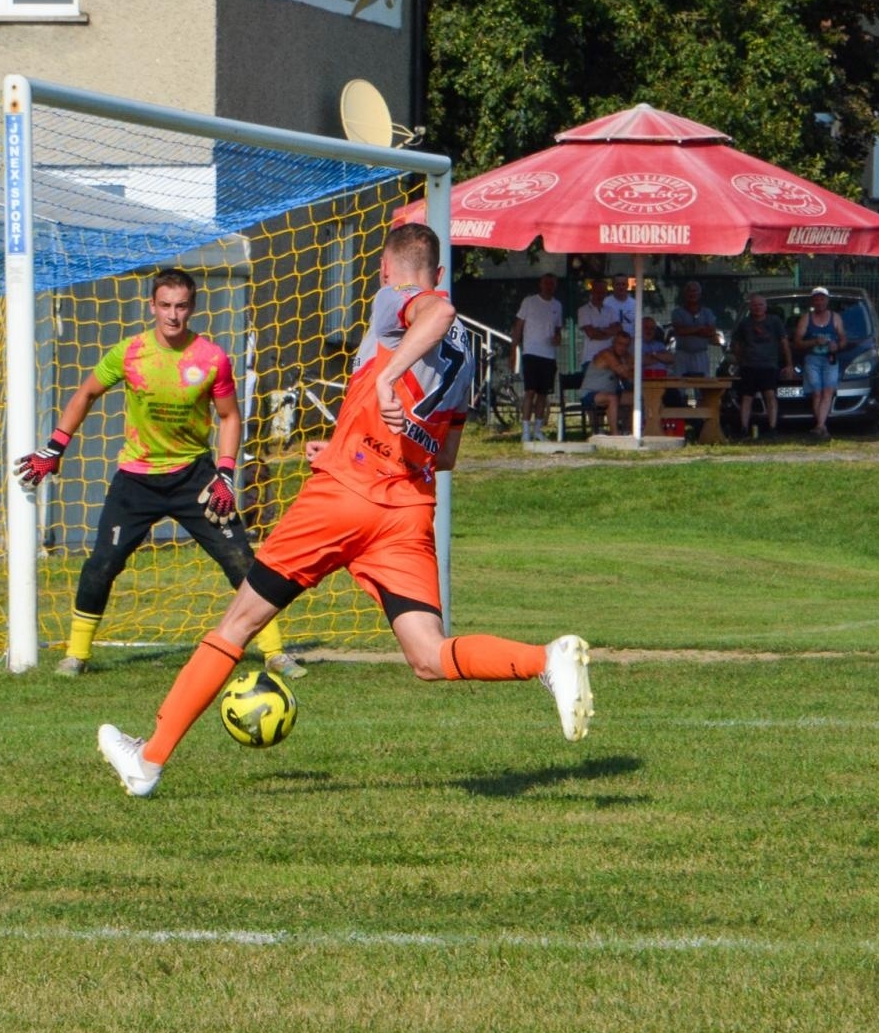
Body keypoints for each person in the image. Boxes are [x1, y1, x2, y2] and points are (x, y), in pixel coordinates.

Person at [97, 224, 594, 797]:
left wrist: (387, 378)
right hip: (406, 510)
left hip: (344, 497)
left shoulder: (394, 301)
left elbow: (437, 312)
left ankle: (148, 760)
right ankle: (544, 660)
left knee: (238, 623)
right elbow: (445, 455)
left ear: (386, 271)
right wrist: (340, 443)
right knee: (428, 655)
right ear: (437, 269)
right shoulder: (466, 356)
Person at [15, 268, 306, 681]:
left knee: (241, 560)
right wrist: (54, 448)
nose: (173, 315)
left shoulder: (212, 358)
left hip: (195, 477)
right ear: (151, 306)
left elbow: (228, 417)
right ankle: (76, 656)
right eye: (165, 305)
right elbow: (87, 393)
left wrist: (225, 475)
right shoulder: (129, 352)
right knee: (102, 564)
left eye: (181, 306)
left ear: (193, 307)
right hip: (136, 480)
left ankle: (275, 652)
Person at [731, 294, 792, 437]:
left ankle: (772, 427)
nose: (757, 307)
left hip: (769, 365)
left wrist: (789, 364)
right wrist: (740, 361)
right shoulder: (744, 323)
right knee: (747, 397)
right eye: (754, 305)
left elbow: (784, 342)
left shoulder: (775, 321)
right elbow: (737, 344)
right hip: (749, 365)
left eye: (760, 305)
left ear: (765, 307)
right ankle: (744, 428)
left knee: (770, 395)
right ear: (750, 307)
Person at [510, 272, 562, 442]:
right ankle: (525, 430)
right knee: (530, 391)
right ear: (541, 284)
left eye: (552, 284)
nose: (549, 286)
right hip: (531, 353)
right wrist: (513, 350)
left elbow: (558, 331)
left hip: (549, 355)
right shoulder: (529, 302)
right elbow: (518, 326)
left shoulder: (557, 305)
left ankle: (538, 430)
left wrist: (557, 338)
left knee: (543, 394)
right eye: (546, 283)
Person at [792, 286, 847, 438]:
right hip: (812, 360)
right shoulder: (806, 319)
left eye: (822, 299)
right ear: (812, 301)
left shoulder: (835, 318)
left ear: (827, 301)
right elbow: (797, 343)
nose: (820, 302)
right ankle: (822, 427)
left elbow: (843, 339)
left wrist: (837, 346)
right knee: (816, 393)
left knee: (828, 391)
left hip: (830, 359)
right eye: (817, 299)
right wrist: (814, 342)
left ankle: (820, 426)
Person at [580, 329, 635, 435]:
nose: (623, 348)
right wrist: (632, 365)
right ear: (613, 342)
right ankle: (615, 434)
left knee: (636, 398)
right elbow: (623, 372)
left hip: (610, 392)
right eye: (620, 344)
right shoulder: (606, 354)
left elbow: (630, 376)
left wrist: (630, 366)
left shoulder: (625, 356)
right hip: (590, 393)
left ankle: (628, 431)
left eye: (626, 345)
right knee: (612, 398)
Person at [670, 281, 722, 378]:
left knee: (701, 384)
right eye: (689, 291)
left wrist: (689, 330)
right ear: (685, 294)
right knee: (679, 384)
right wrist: (700, 328)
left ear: (699, 294)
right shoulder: (677, 312)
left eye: (695, 291)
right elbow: (679, 331)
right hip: (682, 355)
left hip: (701, 354)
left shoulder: (707, 312)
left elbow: (711, 332)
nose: (692, 293)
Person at [575, 277, 623, 374]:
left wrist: (600, 330)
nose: (600, 294)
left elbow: (619, 329)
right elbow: (592, 334)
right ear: (592, 292)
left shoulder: (611, 310)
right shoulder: (583, 310)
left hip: (610, 359)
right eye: (597, 291)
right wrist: (609, 332)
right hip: (590, 358)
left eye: (603, 292)